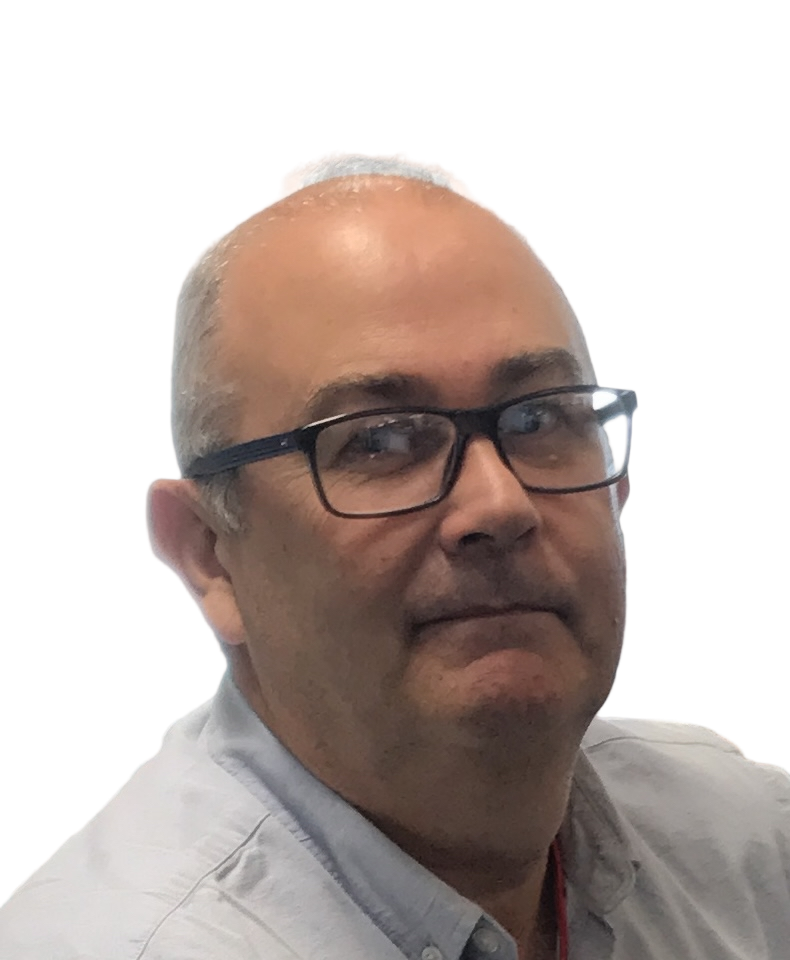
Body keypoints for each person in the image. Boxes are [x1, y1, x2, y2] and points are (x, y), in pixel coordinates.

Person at [2, 150, 787, 960]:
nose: (499, 504)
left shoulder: (744, 843)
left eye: (540, 420)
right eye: (380, 441)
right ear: (210, 556)